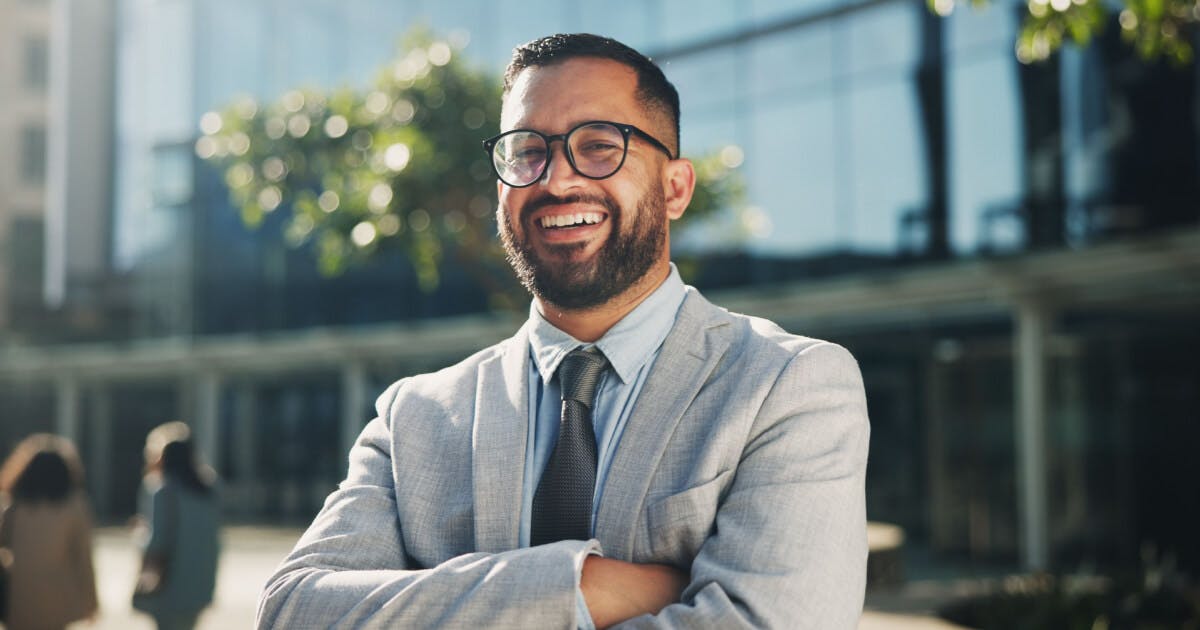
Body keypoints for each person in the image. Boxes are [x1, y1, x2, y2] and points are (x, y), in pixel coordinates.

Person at [258, 33, 870, 629]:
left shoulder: (789, 387)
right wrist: (583, 587)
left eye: (600, 145)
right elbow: (293, 612)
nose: (555, 179)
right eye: (527, 151)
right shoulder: (414, 418)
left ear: (675, 187)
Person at [0, 434, 98, 630]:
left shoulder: (14, 505)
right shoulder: (75, 506)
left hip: (19, 597)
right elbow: (83, 557)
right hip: (59, 598)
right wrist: (91, 601)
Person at [132, 422, 220, 630]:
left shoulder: (163, 490)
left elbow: (157, 541)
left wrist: (138, 535)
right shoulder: (209, 489)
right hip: (201, 581)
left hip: (170, 583)